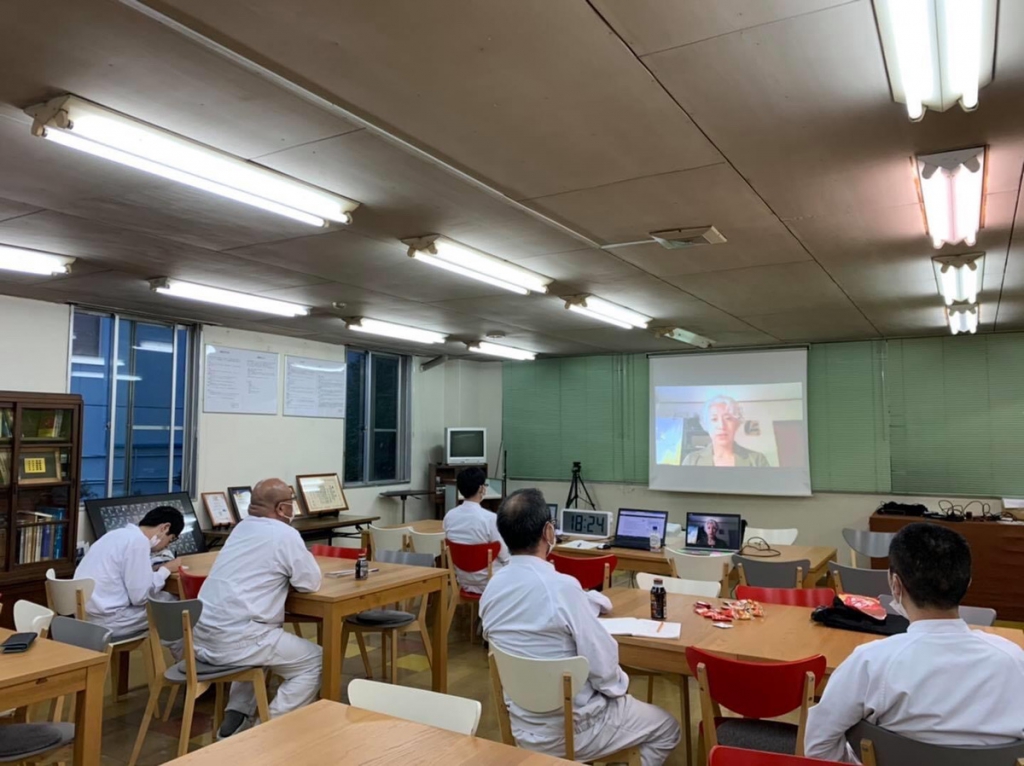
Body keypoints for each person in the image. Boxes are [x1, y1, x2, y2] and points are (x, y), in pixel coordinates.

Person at [481, 489, 680, 766]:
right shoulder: (563, 588)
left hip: (522, 725)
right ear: (548, 532)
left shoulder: (492, 589)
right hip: (575, 729)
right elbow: (604, 670)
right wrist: (620, 689)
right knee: (667, 728)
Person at [805, 523, 1024, 762]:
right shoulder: (1014, 660)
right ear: (967, 583)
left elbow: (818, 747)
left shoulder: (870, 662)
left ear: (895, 585)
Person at [192, 478, 323, 739]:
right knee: (315, 660)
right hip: (238, 639)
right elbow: (310, 582)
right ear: (282, 508)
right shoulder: (284, 534)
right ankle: (265, 732)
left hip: (202, 636)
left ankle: (237, 716)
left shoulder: (241, 529)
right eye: (291, 503)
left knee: (264, 648)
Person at [75, 506, 183, 638]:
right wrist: (166, 570)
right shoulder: (139, 541)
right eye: (170, 539)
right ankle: (181, 651)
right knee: (177, 605)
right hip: (108, 621)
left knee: (166, 605)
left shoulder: (114, 534)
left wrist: (153, 570)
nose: (167, 546)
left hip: (84, 616)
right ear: (165, 528)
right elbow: (140, 597)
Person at [442, 466, 509, 593]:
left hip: (463, 581)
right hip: (491, 582)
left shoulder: (449, 516)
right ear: (481, 488)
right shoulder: (490, 518)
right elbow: (505, 556)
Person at [682, 395, 769, 467]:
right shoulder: (691, 461)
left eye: (728, 418)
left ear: (737, 423)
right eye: (714, 419)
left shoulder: (757, 460)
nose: (721, 426)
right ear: (706, 425)